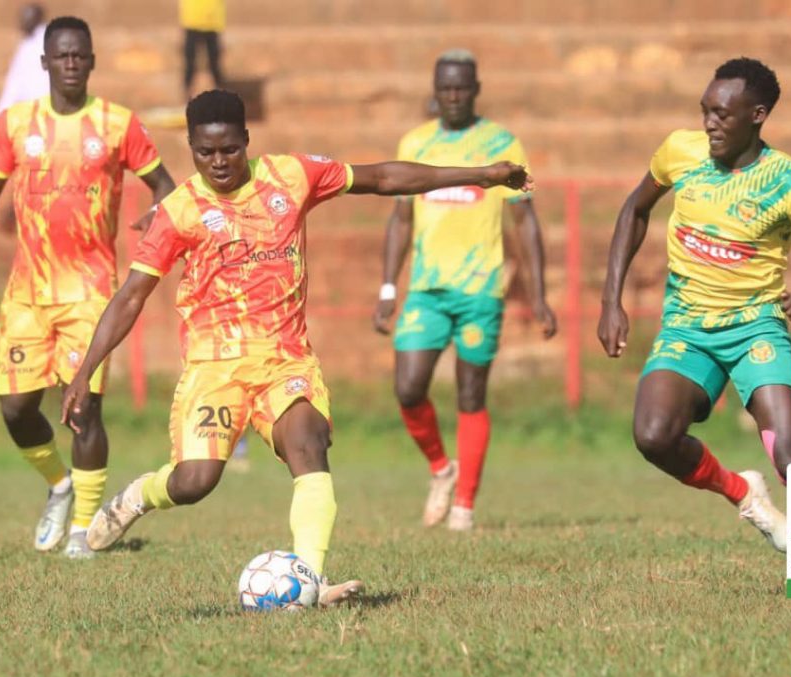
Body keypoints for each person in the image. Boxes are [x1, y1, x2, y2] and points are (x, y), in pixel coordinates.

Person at [59, 89, 533, 605]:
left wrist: (481, 175)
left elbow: (382, 178)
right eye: (205, 152)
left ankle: (308, 579)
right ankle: (138, 496)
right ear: (191, 148)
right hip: (215, 367)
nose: (218, 162)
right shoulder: (179, 212)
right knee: (194, 482)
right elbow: (131, 296)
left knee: (309, 443)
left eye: (229, 149)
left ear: (246, 140)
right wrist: (86, 371)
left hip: (286, 360)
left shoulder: (291, 176)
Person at [597, 58, 791, 553]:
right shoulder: (680, 151)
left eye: (722, 114)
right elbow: (634, 210)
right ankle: (743, 493)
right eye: (705, 111)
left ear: (757, 115)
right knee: (654, 437)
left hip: (756, 329)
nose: (709, 123)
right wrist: (610, 300)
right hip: (686, 328)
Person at [0, 16, 176, 559]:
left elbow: (164, 185)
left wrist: (159, 213)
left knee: (82, 411)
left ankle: (83, 530)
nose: (71, 63)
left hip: (90, 292)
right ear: (45, 63)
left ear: (91, 61)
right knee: (15, 407)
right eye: (62, 55)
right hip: (27, 292)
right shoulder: (14, 123)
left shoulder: (118, 123)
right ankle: (59, 485)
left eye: (80, 55)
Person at [372, 49, 556, 532]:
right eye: (445, 88)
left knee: (471, 394)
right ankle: (441, 468)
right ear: (435, 90)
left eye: (461, 87)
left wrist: (539, 295)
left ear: (476, 90)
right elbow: (400, 220)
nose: (452, 95)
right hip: (427, 290)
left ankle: (464, 507)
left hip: (481, 291)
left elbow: (525, 221)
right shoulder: (416, 141)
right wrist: (388, 287)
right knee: (408, 387)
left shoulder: (501, 143)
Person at [0, 3, 48, 119]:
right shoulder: (27, 44)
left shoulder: (43, 43)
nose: (24, 21)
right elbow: (14, 83)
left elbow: (14, 82)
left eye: (28, 17)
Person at [180, 0, 225, 100]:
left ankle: (221, 95)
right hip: (192, 22)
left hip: (212, 23)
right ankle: (187, 94)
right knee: (190, 63)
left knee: (214, 63)